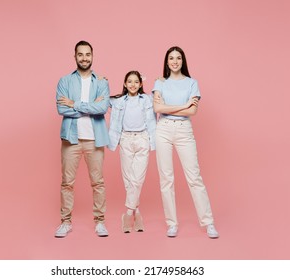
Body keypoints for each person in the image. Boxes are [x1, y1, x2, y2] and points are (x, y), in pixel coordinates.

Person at [152, 46, 219, 238]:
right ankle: (171, 223)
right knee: (166, 178)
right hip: (163, 129)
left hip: (183, 130)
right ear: (166, 61)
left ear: (183, 61)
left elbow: (192, 112)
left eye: (178, 58)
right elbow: (157, 108)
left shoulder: (192, 83)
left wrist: (169, 107)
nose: (174, 61)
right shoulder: (160, 82)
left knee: (194, 177)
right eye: (171, 58)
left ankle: (208, 223)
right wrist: (183, 105)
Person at [55, 40, 110, 238]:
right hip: (71, 139)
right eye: (80, 54)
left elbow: (103, 108)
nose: (84, 58)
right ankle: (65, 222)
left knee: (98, 182)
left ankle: (100, 222)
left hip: (94, 139)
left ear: (92, 56)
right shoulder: (65, 81)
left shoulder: (102, 82)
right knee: (67, 182)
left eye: (88, 54)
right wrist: (89, 107)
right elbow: (62, 109)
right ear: (75, 56)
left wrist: (76, 104)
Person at [108, 71, 157, 233]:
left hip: (143, 138)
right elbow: (101, 100)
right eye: (129, 81)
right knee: (128, 179)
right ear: (124, 84)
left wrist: (161, 80)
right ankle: (137, 212)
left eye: (136, 82)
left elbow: (160, 92)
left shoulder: (147, 100)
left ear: (141, 84)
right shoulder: (119, 101)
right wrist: (102, 82)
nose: (133, 85)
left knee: (138, 178)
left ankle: (128, 213)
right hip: (126, 140)